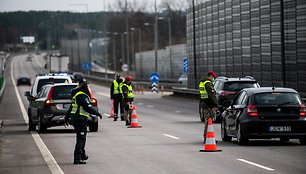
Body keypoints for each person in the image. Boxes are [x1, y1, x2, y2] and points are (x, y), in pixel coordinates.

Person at [66, 78, 102, 165]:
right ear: (84, 86)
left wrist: (66, 118)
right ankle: (77, 158)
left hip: (77, 118)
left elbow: (71, 108)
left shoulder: (77, 95)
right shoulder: (82, 96)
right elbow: (88, 108)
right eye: (86, 85)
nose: (87, 87)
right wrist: (97, 113)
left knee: (81, 137)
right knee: (81, 138)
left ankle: (82, 155)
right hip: (80, 119)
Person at [199, 71, 218, 143]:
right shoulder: (208, 83)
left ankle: (207, 137)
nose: (213, 78)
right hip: (208, 105)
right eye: (213, 77)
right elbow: (212, 96)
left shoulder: (202, 82)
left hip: (204, 103)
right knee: (209, 121)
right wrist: (216, 105)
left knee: (208, 121)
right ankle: (207, 138)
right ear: (210, 76)